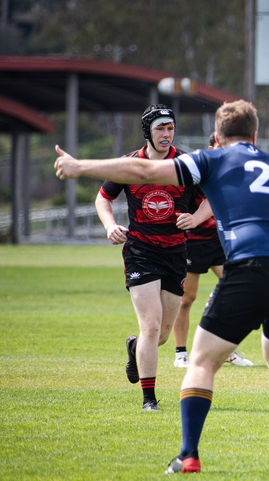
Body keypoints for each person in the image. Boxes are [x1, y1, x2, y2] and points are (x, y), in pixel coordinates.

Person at [55, 99, 269, 473]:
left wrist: (80, 166)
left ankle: (188, 456)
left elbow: (142, 170)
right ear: (256, 134)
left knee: (200, 361)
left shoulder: (211, 159)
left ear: (216, 137)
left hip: (249, 264)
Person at [94, 103, 195, 411]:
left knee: (162, 334)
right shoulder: (128, 165)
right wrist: (110, 226)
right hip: (140, 251)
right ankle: (149, 400)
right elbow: (103, 198)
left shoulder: (187, 164)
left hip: (176, 253)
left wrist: (196, 217)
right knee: (150, 325)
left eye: (170, 128)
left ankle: (134, 348)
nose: (166, 134)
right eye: (160, 129)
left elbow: (214, 199)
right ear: (147, 133)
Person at [171, 132, 252, 369]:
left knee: (236, 290)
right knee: (186, 298)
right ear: (211, 147)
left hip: (219, 238)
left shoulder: (234, 172)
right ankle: (181, 353)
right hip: (192, 240)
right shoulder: (197, 171)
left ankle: (227, 349)